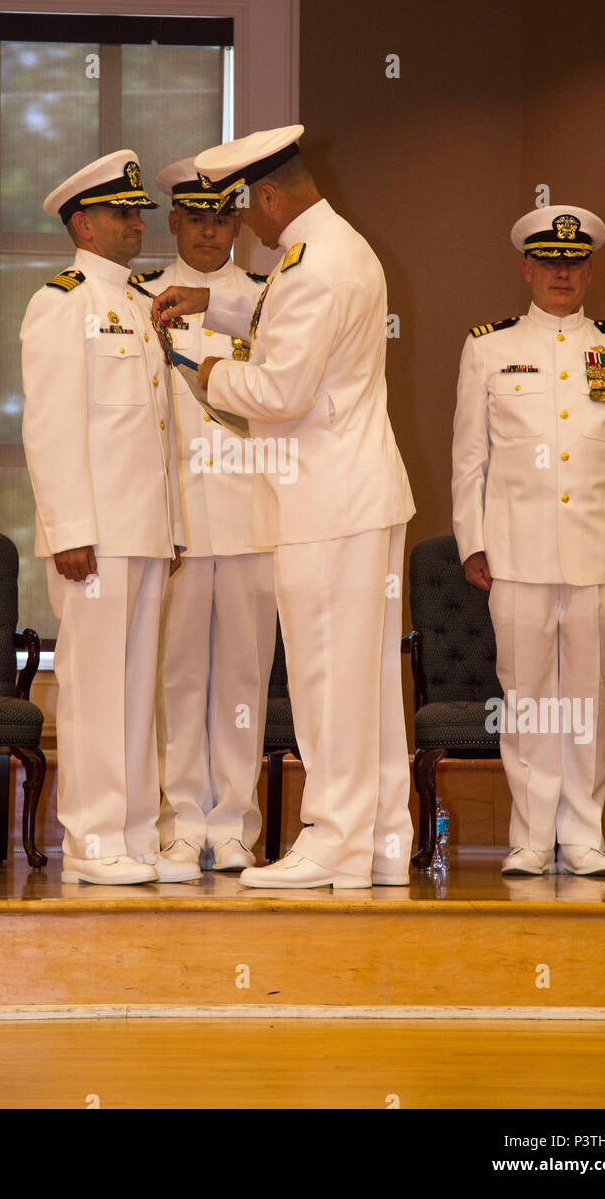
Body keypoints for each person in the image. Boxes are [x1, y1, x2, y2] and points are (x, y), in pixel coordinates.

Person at [153, 125, 415, 888]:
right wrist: (218, 307)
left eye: (247, 209)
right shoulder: (334, 248)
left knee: (327, 675)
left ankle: (332, 839)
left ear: (270, 198)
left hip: (326, 502)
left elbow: (280, 390)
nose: (249, 226)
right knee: (365, 684)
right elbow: (289, 324)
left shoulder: (312, 265)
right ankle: (379, 843)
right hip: (354, 495)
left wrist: (202, 368)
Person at [451, 204, 605, 876]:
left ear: (590, 271)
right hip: (517, 551)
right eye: (548, 262)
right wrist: (471, 540)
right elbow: (468, 458)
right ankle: (533, 837)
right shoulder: (489, 347)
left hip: (597, 551)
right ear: (527, 268)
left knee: (587, 699)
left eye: (572, 264)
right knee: (528, 695)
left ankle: (584, 836)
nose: (560, 274)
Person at [20, 150, 195, 886]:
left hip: (145, 530)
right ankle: (92, 841)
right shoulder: (62, 303)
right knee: (95, 689)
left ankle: (133, 833)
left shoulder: (136, 301)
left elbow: (157, 431)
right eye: (121, 213)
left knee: (137, 687)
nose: (134, 224)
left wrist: (171, 526)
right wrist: (69, 531)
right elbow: (51, 426)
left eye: (137, 212)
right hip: (95, 536)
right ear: (83, 223)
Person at [129, 158, 277, 873]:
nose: (211, 230)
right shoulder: (139, 297)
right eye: (198, 218)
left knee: (245, 681)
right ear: (174, 222)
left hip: (255, 514)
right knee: (179, 677)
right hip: (179, 519)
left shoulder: (266, 298)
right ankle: (182, 818)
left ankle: (235, 821)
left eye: (224, 218)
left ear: (240, 223)